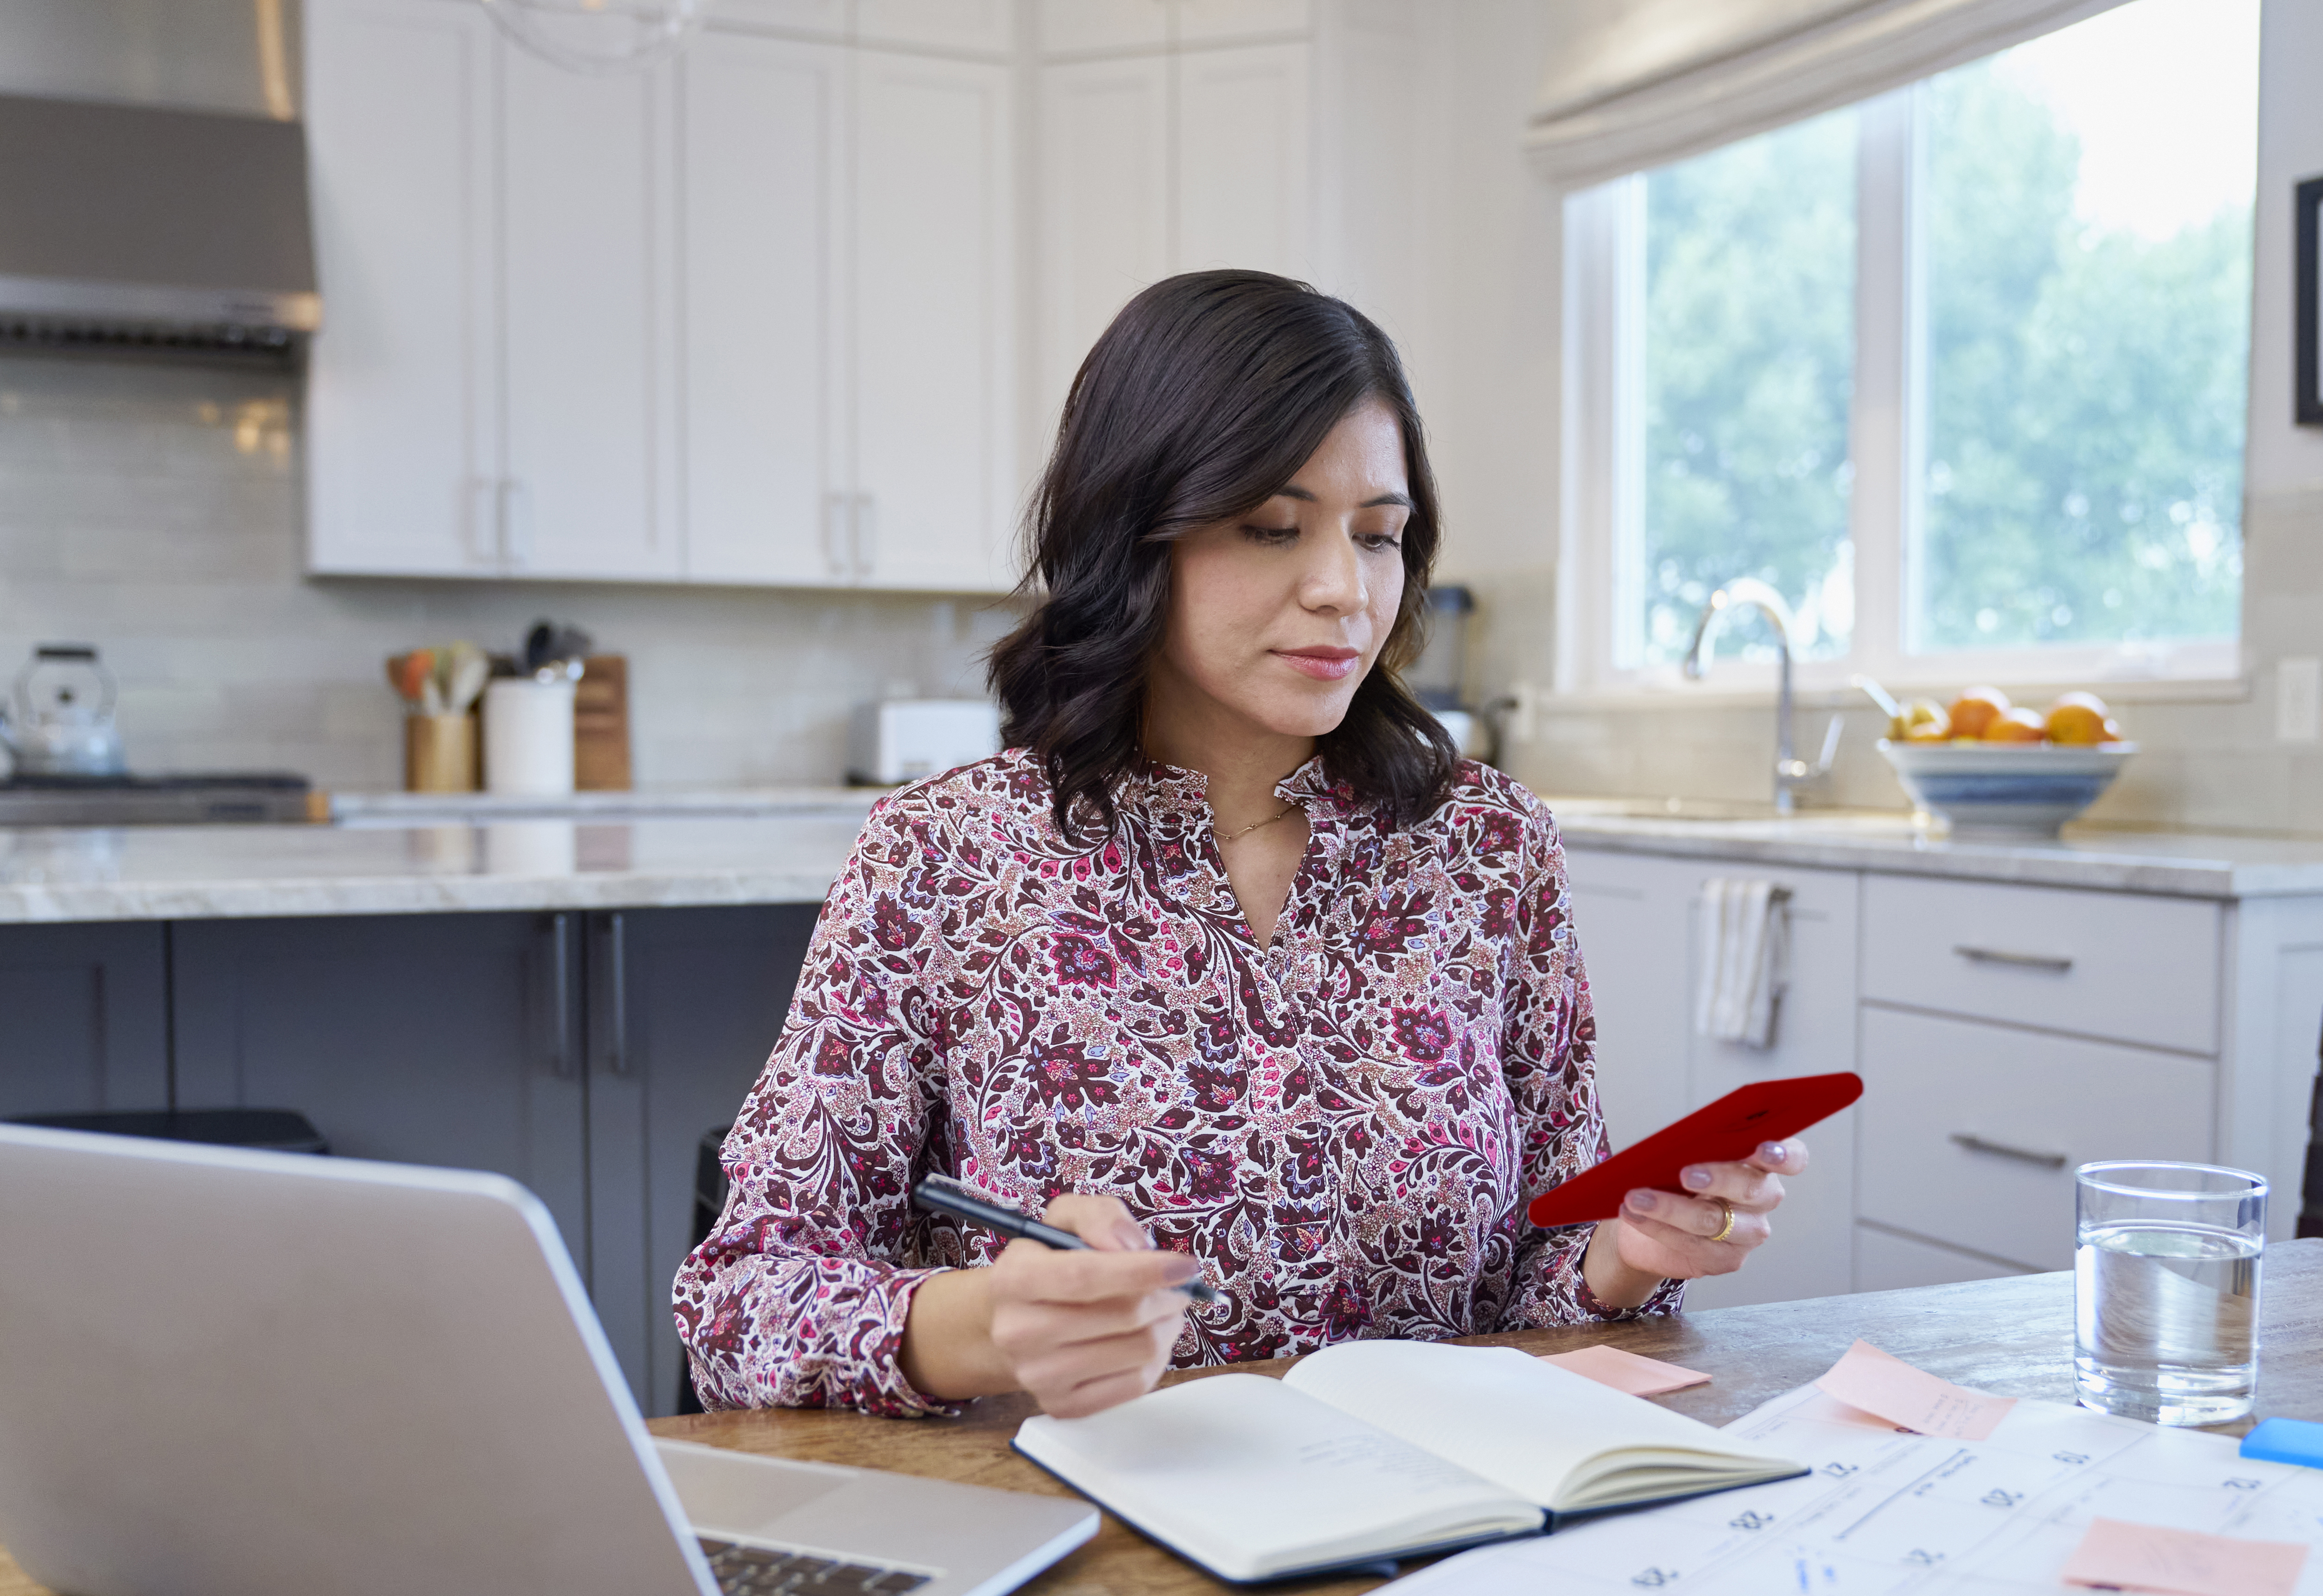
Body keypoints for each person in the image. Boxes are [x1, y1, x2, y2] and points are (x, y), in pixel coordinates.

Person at [672, 270, 1806, 1421]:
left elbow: (1535, 1282)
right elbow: (741, 1299)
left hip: (1437, 1531)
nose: (1342, 591)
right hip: (1090, 1540)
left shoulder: (1490, 847)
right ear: (1132, 533)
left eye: (1380, 537)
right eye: (1272, 528)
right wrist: (984, 1328)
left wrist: (1625, 1252)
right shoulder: (945, 855)